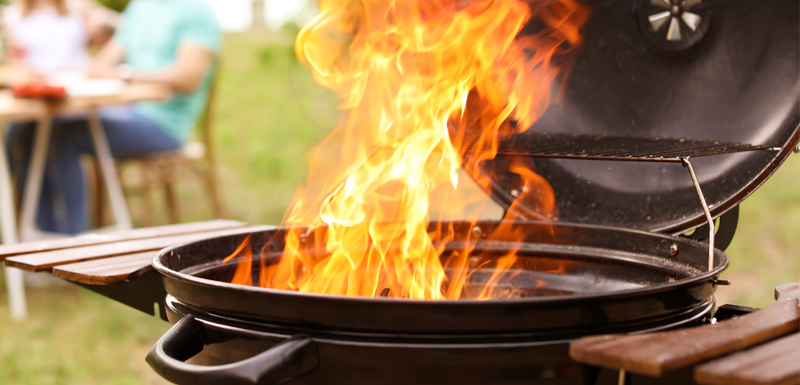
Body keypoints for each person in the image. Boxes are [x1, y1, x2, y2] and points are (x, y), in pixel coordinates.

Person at [7, 0, 221, 234]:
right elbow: (102, 64)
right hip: (126, 110)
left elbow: (189, 77)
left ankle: (72, 239)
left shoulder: (196, 11)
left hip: (164, 123)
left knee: (64, 136)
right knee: (28, 131)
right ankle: (42, 233)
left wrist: (127, 76)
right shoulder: (142, 7)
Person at [1, 0, 119, 72]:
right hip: (39, 88)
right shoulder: (12, 15)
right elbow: (15, 59)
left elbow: (122, 25)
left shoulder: (77, 5)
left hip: (78, 83)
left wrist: (100, 62)